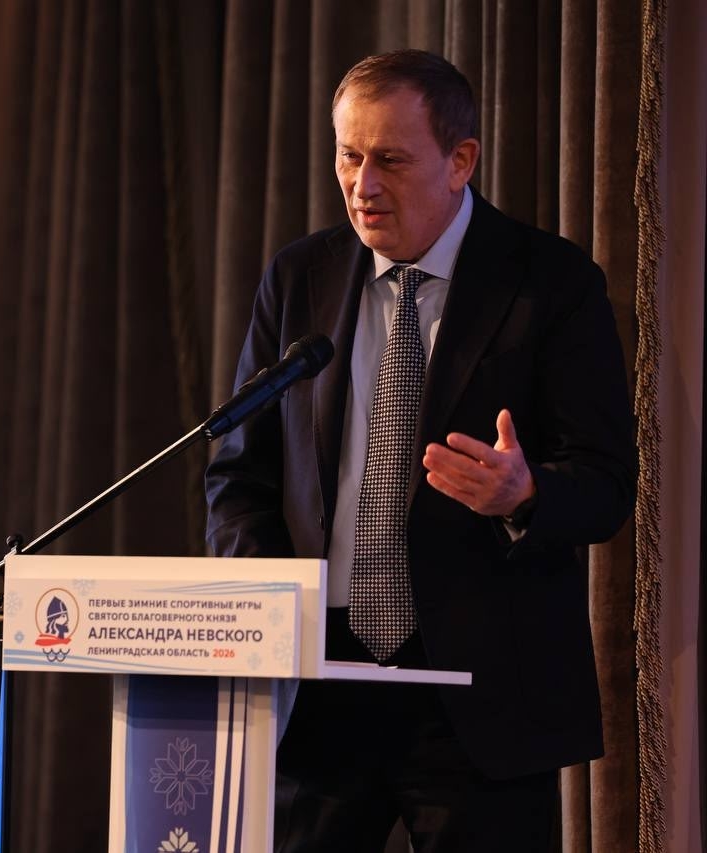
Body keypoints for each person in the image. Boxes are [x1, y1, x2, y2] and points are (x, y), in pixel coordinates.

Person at [204, 49, 635, 852]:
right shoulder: (299, 278)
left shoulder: (550, 281)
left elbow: (608, 483)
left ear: (460, 160)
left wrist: (525, 492)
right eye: (348, 156)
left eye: (392, 160)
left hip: (481, 695)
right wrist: (266, 612)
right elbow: (239, 476)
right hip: (321, 687)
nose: (363, 185)